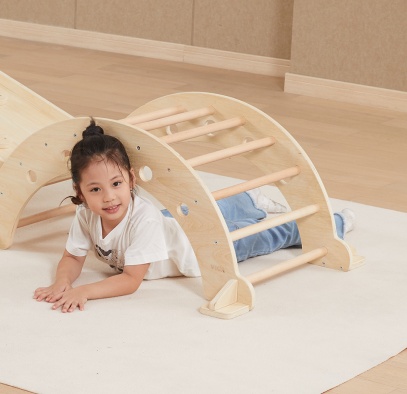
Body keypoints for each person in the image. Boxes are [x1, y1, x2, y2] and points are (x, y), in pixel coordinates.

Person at [33, 120, 355, 313]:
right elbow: (71, 257)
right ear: (79, 191)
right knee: (197, 216)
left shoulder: (141, 217)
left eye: (116, 184)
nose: (109, 197)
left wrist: (84, 291)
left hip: (196, 253)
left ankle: (331, 224)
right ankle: (248, 201)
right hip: (173, 229)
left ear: (132, 179)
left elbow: (131, 280)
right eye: (95, 190)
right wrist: (62, 282)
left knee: (257, 236)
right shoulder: (86, 216)